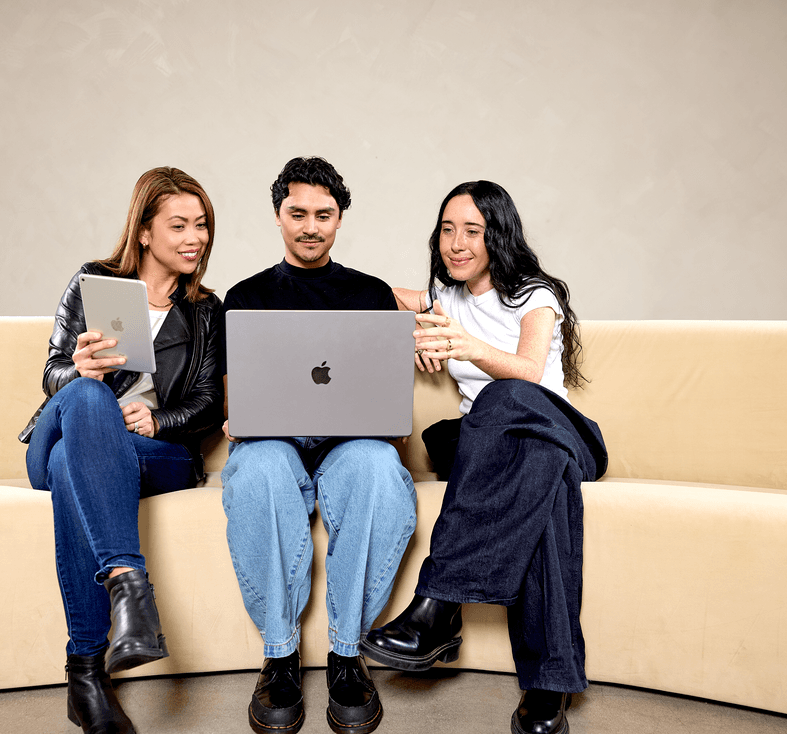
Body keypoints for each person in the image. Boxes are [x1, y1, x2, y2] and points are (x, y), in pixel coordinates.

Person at [360, 181, 607, 734]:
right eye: (447, 230)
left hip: (558, 429)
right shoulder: (444, 296)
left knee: (505, 397)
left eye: (472, 230)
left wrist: (463, 346)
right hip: (493, 447)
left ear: (498, 234)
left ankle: (438, 603)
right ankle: (548, 687)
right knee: (540, 484)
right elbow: (384, 297)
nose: (456, 243)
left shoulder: (534, 296)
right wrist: (415, 332)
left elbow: (527, 370)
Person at [20, 167, 223, 734]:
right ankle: (130, 584)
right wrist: (79, 371)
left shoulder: (205, 309)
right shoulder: (92, 281)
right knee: (86, 401)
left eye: (201, 225)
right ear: (143, 232)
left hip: (150, 453)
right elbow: (51, 372)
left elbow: (207, 404)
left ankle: (85, 675)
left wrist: (159, 419)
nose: (195, 238)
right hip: (67, 426)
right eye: (179, 225)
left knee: (71, 467)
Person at [220, 157, 417, 734]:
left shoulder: (372, 293)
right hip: (272, 440)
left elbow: (390, 398)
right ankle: (280, 656)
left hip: (349, 443)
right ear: (278, 216)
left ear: (340, 219)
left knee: (379, 465)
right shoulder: (245, 296)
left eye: (323, 215)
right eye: (297, 213)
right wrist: (239, 420)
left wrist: (389, 418)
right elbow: (234, 403)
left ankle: (346, 653)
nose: (311, 226)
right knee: (258, 468)